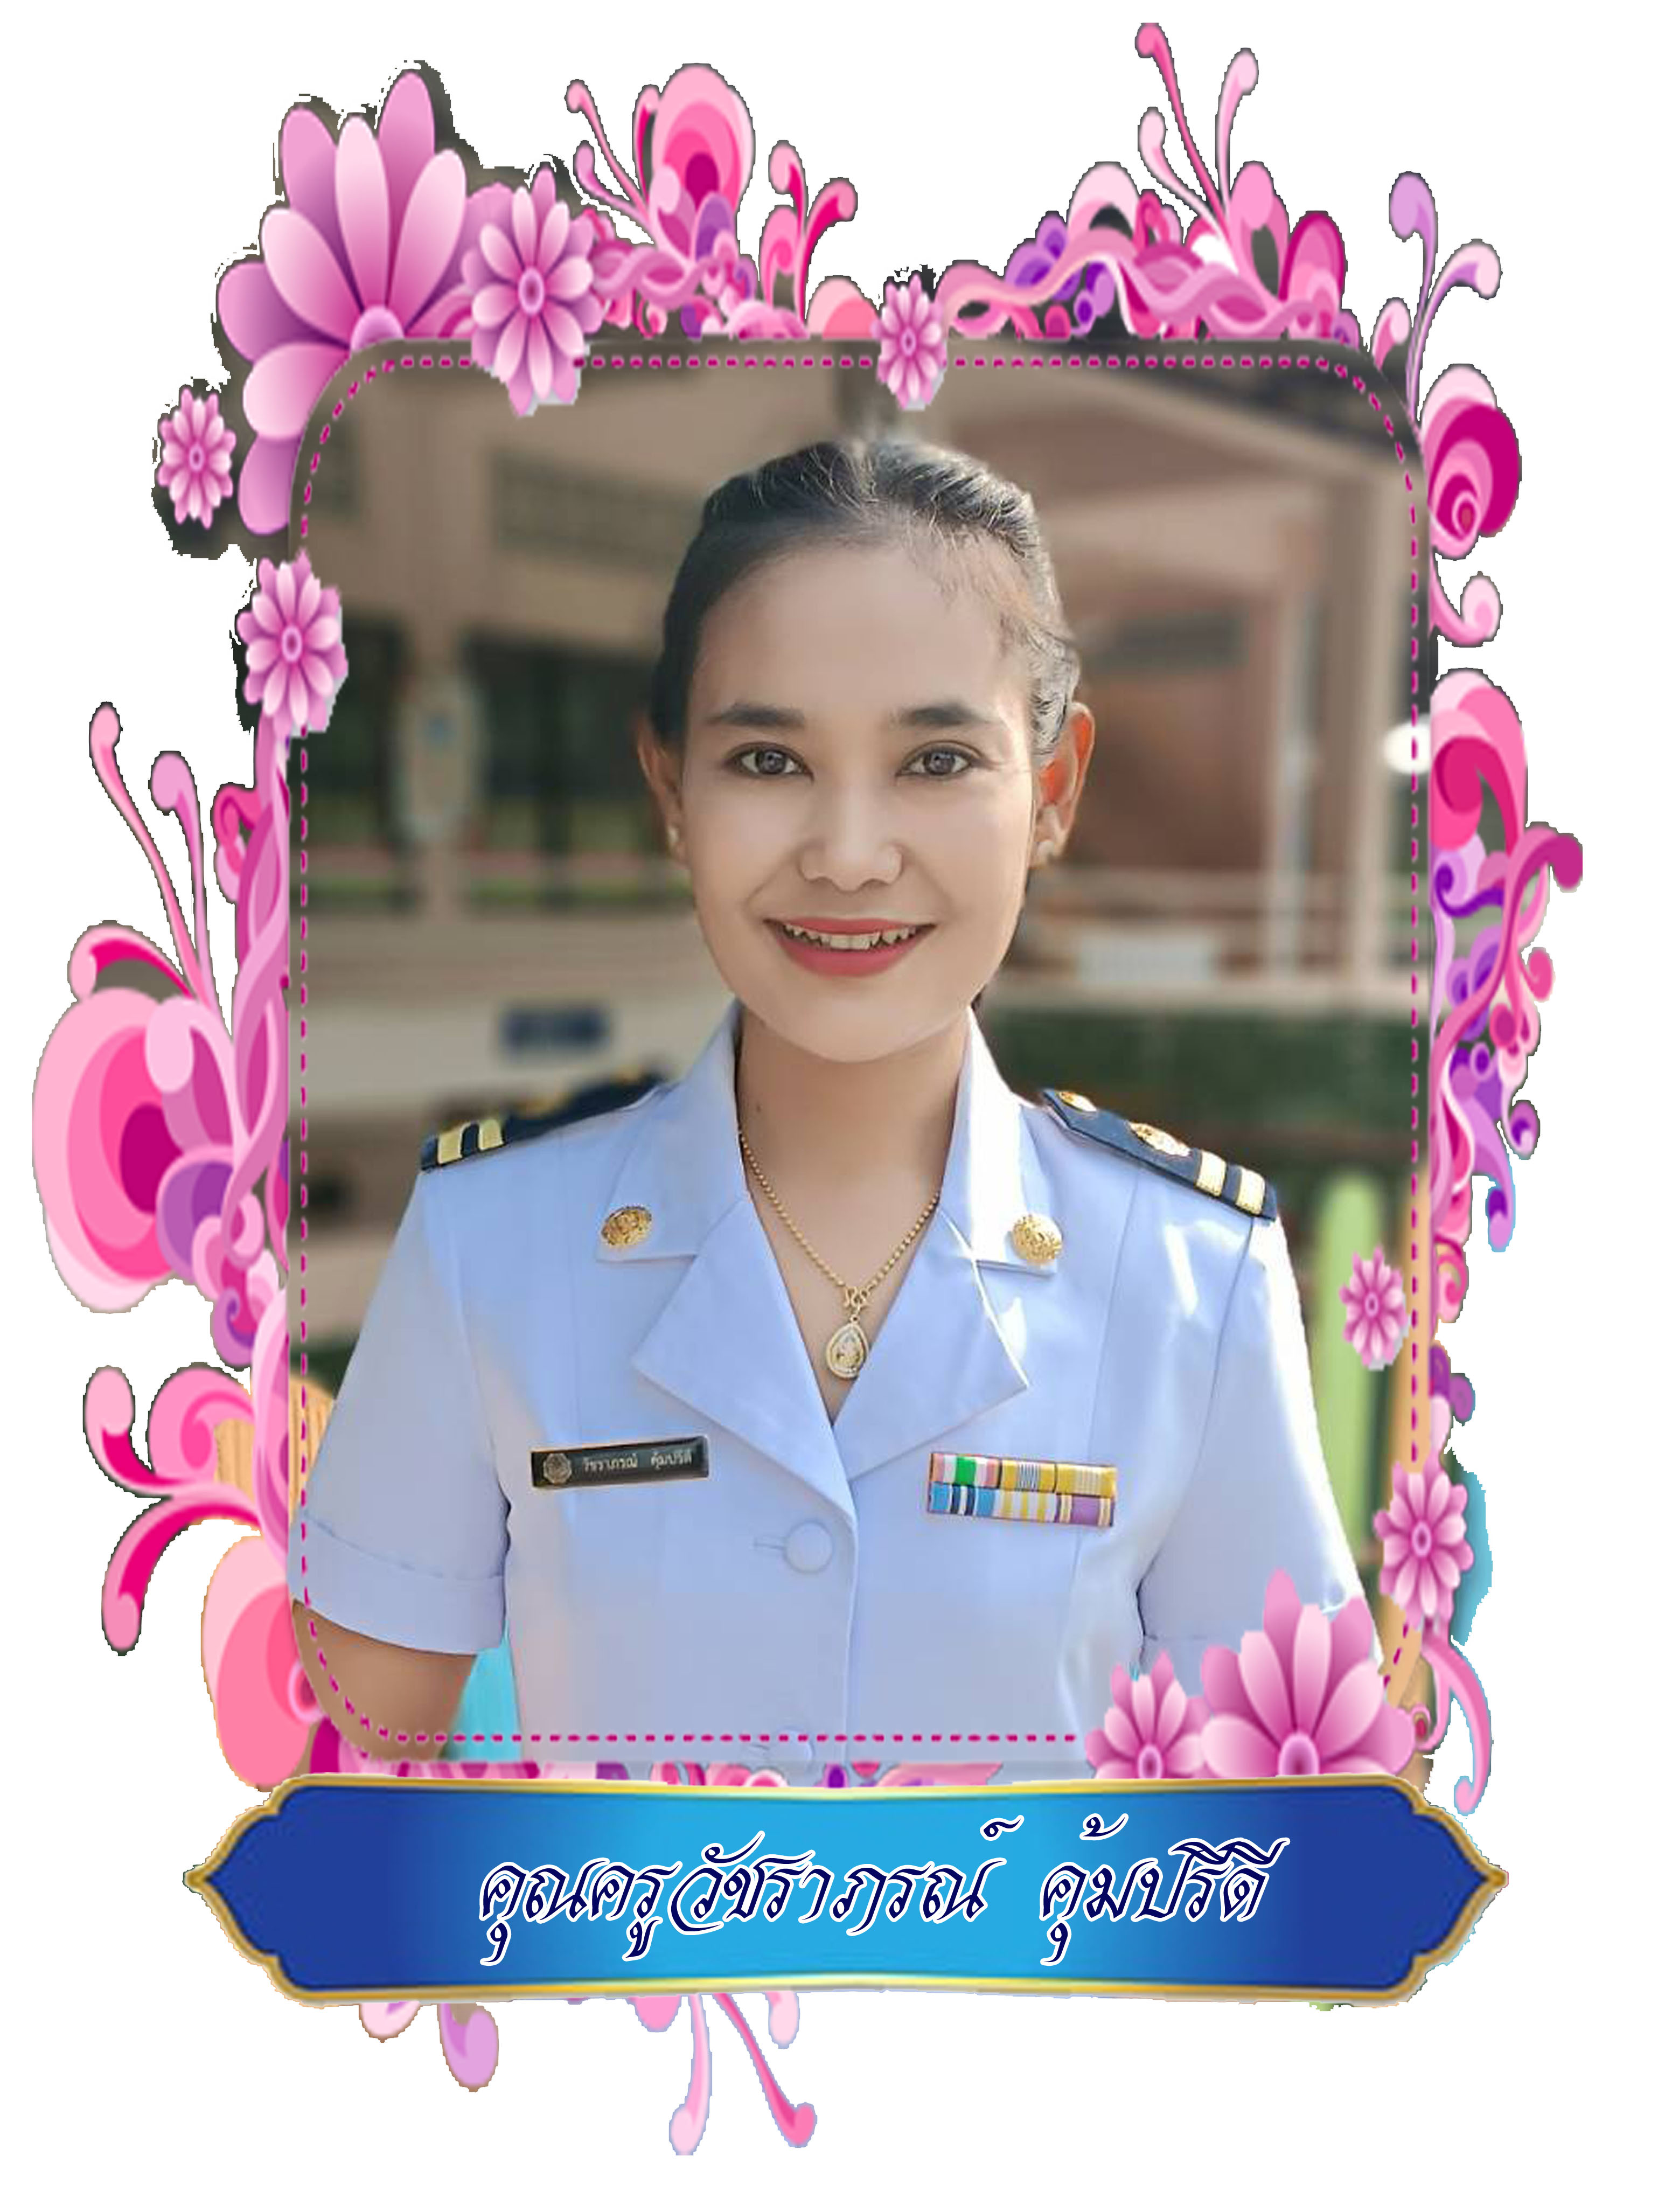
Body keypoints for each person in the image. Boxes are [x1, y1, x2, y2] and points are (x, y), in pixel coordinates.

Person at [288, 435, 1363, 1779]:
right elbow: (349, 1776)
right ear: (671, 788)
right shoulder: (490, 1246)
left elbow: (1300, 1818)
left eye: (936, 761)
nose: (850, 855)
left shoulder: (1190, 1280)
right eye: (768, 761)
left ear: (1053, 790)